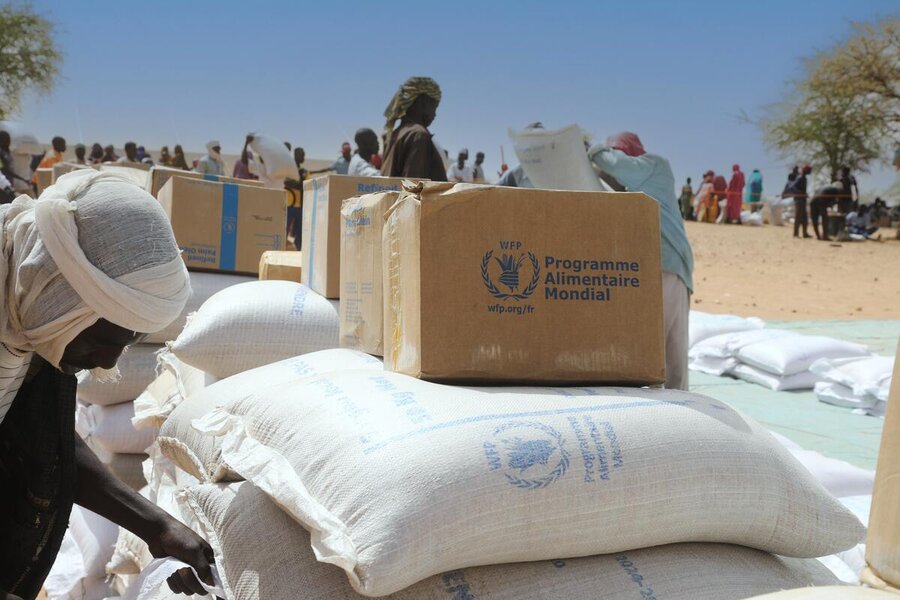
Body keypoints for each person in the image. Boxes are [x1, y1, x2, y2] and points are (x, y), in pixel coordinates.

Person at [0, 170, 215, 600]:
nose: (107, 362)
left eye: (125, 344)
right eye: (101, 341)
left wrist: (156, 525)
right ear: (58, 294)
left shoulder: (31, 318)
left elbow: (45, 439)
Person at [588, 132, 694, 391]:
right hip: (653, 266)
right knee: (660, 345)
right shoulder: (635, 186)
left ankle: (676, 406)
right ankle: (664, 403)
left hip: (668, 264)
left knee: (665, 347)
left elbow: (615, 163)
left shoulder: (655, 165)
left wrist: (593, 149)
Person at [381, 76, 448, 181]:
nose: (435, 114)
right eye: (434, 107)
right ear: (423, 101)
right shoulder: (418, 135)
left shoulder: (394, 134)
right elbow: (412, 187)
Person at [284, 147, 308, 251]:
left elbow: (306, 186)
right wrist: (299, 183)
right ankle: (280, 250)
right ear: (296, 155)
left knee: (300, 232)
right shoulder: (288, 169)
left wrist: (299, 183)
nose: (303, 157)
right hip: (289, 205)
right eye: (302, 155)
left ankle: (298, 251)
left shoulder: (304, 171)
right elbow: (286, 182)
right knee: (284, 229)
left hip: (301, 206)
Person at [789, 164, 812, 239]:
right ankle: (795, 234)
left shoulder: (804, 178)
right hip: (799, 200)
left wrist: (805, 194)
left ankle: (805, 233)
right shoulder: (800, 177)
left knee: (805, 218)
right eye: (809, 170)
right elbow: (792, 187)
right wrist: (800, 193)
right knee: (798, 217)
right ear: (806, 170)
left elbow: (802, 189)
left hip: (803, 200)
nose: (810, 171)